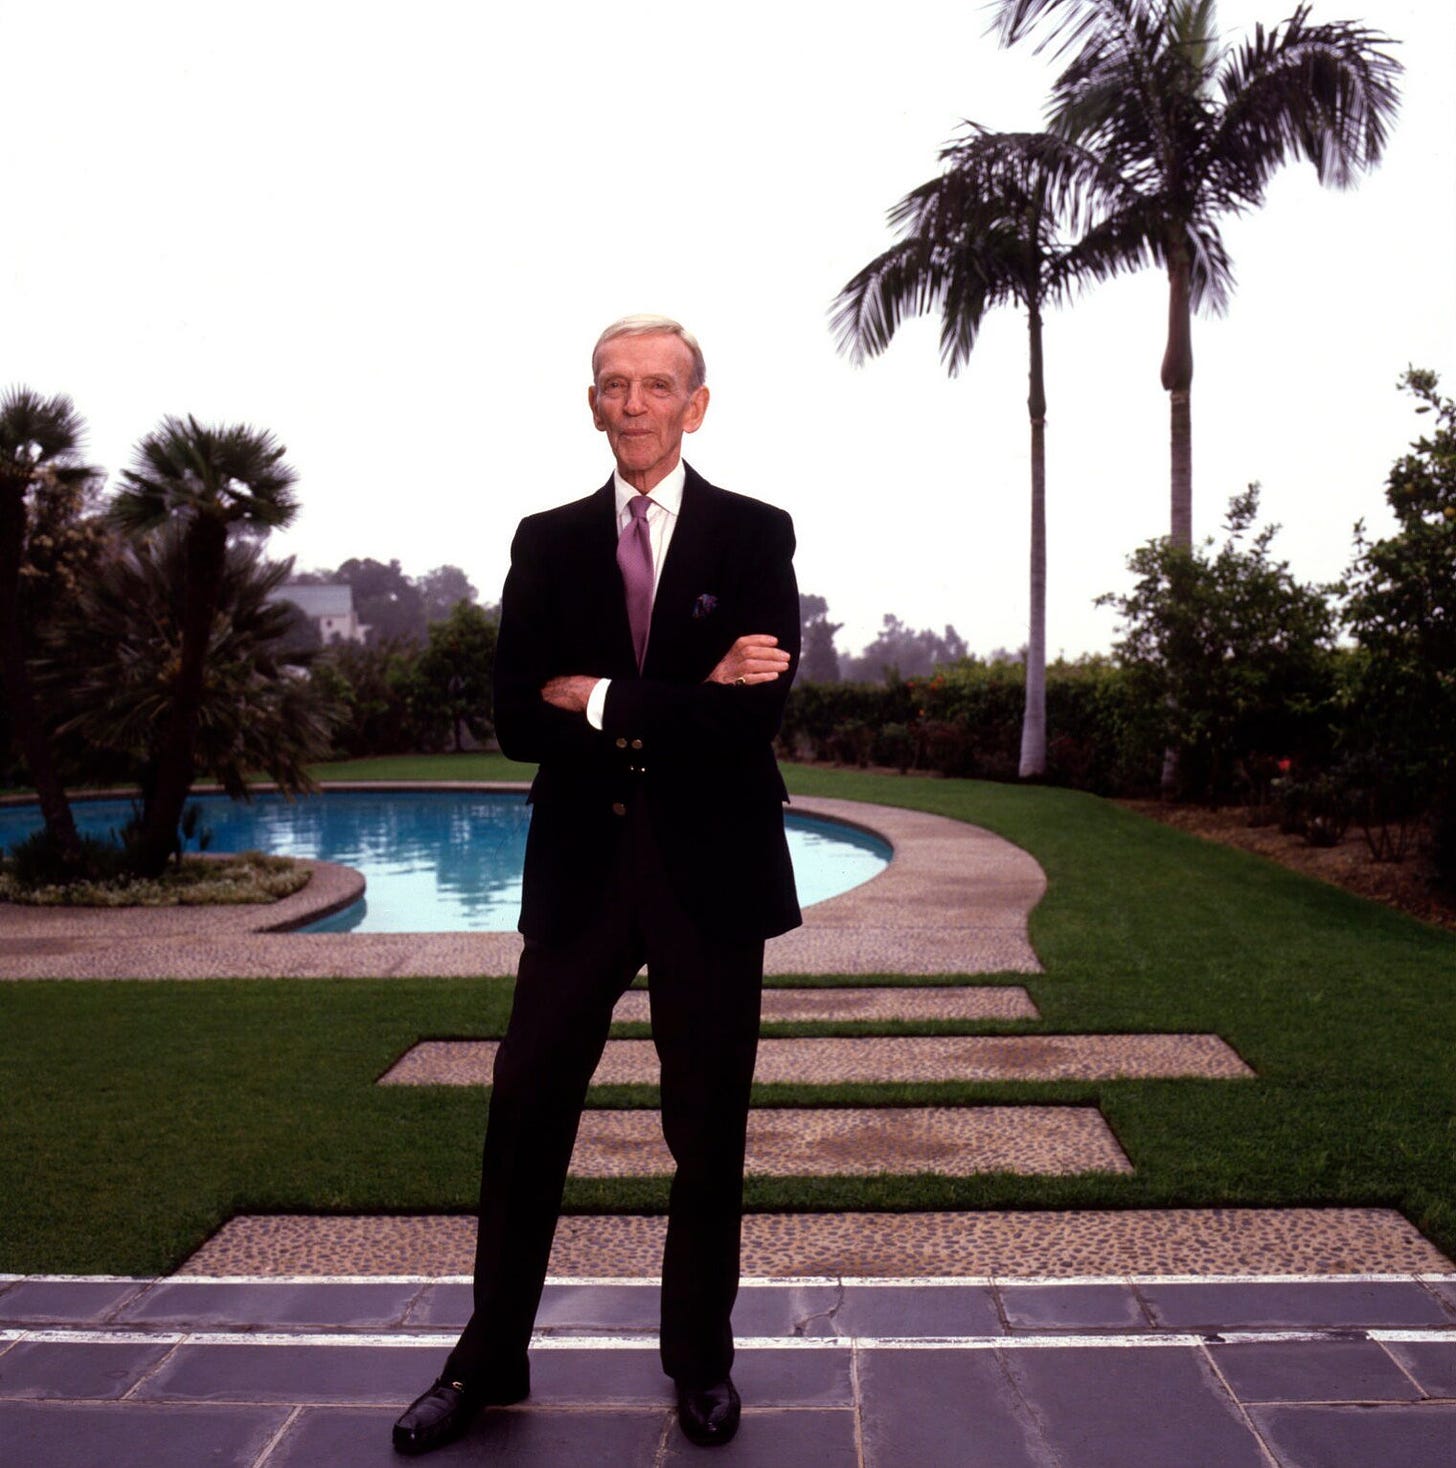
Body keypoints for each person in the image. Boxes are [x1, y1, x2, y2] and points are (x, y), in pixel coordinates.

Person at [393, 314, 801, 1454]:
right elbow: (516, 717)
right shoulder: (547, 539)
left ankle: (702, 1365)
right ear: (592, 403)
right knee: (524, 1108)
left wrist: (605, 697)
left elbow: (750, 715)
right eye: (614, 384)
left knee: (706, 1123)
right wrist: (679, 692)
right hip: (579, 867)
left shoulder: (754, 534)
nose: (634, 403)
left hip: (709, 872)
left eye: (657, 385)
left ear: (695, 406)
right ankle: (487, 1360)